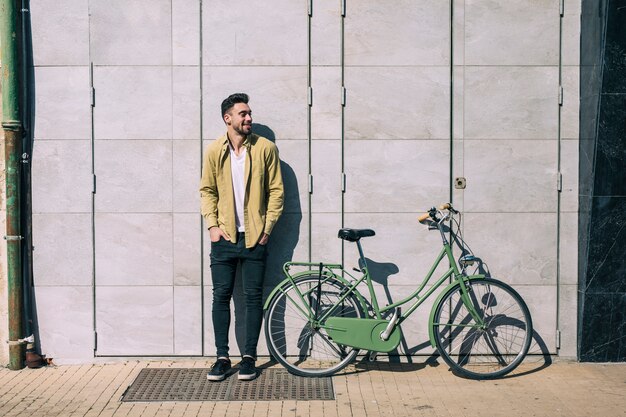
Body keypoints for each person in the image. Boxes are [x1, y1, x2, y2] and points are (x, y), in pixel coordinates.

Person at [200, 93, 284, 381]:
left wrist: (266, 229)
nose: (249, 118)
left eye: (249, 114)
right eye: (243, 114)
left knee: (252, 299)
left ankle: (249, 357)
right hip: (223, 238)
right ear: (228, 118)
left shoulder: (265, 149)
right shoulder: (214, 151)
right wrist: (212, 226)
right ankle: (222, 357)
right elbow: (206, 190)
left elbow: (276, 192)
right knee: (221, 297)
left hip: (254, 238)